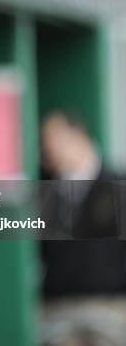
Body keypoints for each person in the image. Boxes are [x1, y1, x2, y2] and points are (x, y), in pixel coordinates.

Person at [39, 111, 126, 345]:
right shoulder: (46, 193)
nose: (51, 148)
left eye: (57, 138)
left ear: (78, 134)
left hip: (109, 308)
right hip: (58, 310)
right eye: (46, 142)